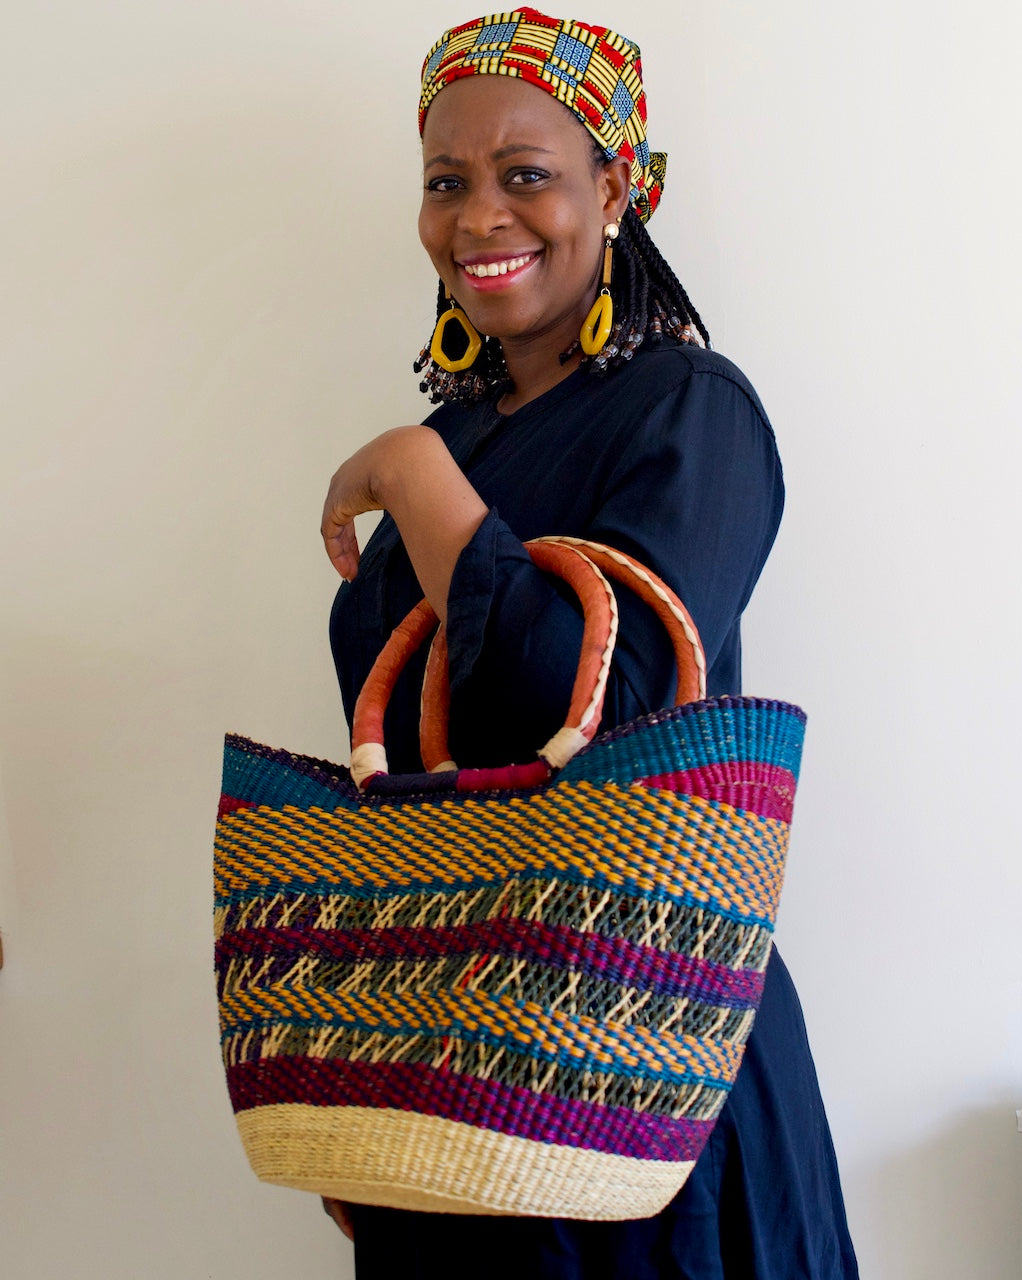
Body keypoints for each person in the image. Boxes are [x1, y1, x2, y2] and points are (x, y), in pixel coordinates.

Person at [319, 9, 858, 1278]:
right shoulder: (464, 438)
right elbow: (405, 779)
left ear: (614, 189)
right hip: (450, 1057)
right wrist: (365, 1066)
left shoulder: (689, 409)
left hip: (642, 1066)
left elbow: (591, 705)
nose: (477, 218)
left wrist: (408, 467)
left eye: (526, 176)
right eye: (445, 183)